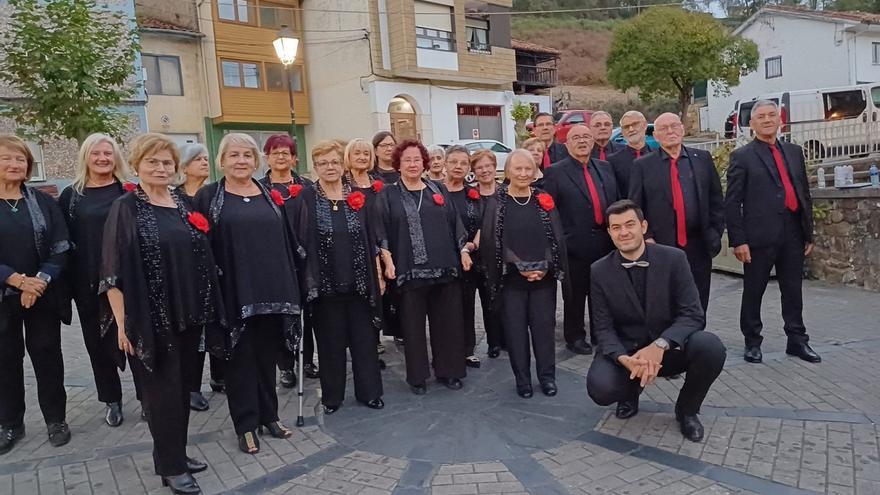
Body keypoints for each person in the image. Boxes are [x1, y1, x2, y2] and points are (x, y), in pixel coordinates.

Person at [100, 133, 221, 493]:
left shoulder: (182, 205)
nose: (161, 168)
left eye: (167, 162)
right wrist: (122, 325)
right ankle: (172, 468)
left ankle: (175, 454)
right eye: (152, 161)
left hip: (188, 314)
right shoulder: (126, 208)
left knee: (182, 390)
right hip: (149, 317)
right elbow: (111, 273)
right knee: (162, 394)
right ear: (137, 165)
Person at [194, 133, 301, 455]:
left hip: (271, 290)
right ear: (222, 160)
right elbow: (201, 248)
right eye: (234, 155)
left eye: (247, 155)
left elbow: (286, 241)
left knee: (267, 357)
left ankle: (270, 416)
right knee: (239, 360)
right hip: (233, 292)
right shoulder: (209, 196)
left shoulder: (268, 194)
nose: (241, 161)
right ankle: (245, 425)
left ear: (256, 161)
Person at [587, 200, 726, 442]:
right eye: (616, 227)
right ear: (609, 232)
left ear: (643, 226)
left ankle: (687, 410)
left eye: (630, 224)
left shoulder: (674, 259)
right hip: (627, 353)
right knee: (601, 388)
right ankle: (629, 393)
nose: (624, 232)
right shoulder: (599, 270)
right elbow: (603, 327)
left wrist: (660, 345)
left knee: (711, 347)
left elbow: (693, 314)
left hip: (669, 349)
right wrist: (624, 359)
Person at [288, 141, 385, 414]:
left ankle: (370, 393)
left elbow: (372, 238)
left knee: (364, 340)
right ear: (315, 167)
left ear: (343, 166)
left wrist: (378, 273)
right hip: (324, 284)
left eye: (334, 162)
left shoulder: (358, 197)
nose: (329, 167)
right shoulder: (304, 198)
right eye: (323, 163)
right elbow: (297, 240)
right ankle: (333, 397)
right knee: (330, 343)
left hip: (359, 281)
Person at [724, 100, 821, 364]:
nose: (767, 120)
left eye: (771, 115)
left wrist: (808, 233)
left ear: (780, 120)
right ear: (752, 124)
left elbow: (803, 194)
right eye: (761, 117)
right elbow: (732, 202)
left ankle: (797, 340)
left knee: (793, 290)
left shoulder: (793, 152)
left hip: (792, 233)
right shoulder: (742, 157)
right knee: (754, 291)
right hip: (758, 237)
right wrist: (738, 240)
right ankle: (752, 342)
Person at [376, 140, 471, 394]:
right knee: (413, 328)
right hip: (409, 270)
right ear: (398, 163)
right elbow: (380, 231)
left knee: (448, 324)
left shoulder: (437, 189)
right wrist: (387, 261)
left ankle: (449, 371)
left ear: (424, 162)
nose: (412, 164)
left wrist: (463, 250)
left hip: (444, 268)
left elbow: (455, 224)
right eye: (407, 160)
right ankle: (418, 376)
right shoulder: (388, 194)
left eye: (417, 159)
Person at [0, 134, 71, 455]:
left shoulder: (42, 201)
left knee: (47, 357)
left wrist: (38, 282)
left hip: (42, 296)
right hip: (3, 297)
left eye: (20, 159)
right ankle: (11, 423)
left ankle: (56, 419)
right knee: (5, 360)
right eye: (7, 158)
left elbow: (60, 245)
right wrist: (16, 280)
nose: (14, 164)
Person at [58, 133, 135, 428]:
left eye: (108, 153)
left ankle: (146, 396)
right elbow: (64, 241)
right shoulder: (72, 196)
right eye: (96, 154)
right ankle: (111, 399)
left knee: (136, 338)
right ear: (86, 158)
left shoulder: (128, 190)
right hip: (88, 283)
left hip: (128, 282)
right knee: (97, 344)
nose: (103, 158)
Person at [482, 150, 568, 398]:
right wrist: (520, 265)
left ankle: (547, 378)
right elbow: (493, 241)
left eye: (527, 169)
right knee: (516, 333)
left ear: (534, 171)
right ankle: (523, 380)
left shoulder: (543, 199)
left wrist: (545, 266)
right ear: (507, 171)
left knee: (544, 331)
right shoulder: (497, 202)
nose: (522, 174)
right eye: (517, 169)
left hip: (543, 280)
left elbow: (555, 238)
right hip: (512, 282)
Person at [628, 113, 724, 312]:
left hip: (698, 244)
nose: (670, 131)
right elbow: (635, 207)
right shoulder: (643, 166)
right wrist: (647, 238)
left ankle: (696, 339)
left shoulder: (702, 159)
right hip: (662, 246)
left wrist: (715, 234)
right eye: (664, 128)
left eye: (674, 126)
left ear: (682, 129)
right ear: (655, 136)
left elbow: (716, 200)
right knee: (666, 299)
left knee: (698, 298)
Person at [543, 125, 619, 355]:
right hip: (573, 245)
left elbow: (613, 200)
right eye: (576, 138)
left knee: (603, 292)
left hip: (604, 242)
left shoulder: (605, 168)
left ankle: (600, 332)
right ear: (567, 144)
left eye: (586, 136)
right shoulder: (556, 172)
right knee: (575, 295)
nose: (582, 141)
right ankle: (574, 336)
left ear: (593, 141)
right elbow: (550, 212)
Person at [258, 134, 318, 385]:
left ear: (294, 158)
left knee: (307, 312)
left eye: (286, 153)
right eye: (275, 153)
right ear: (267, 157)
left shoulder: (307, 187)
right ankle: (285, 365)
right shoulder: (258, 187)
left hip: (305, 258)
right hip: (274, 260)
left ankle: (306, 361)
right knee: (280, 313)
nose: (281, 157)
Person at [173, 143, 223, 412]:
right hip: (187, 274)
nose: (205, 163)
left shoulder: (214, 194)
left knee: (217, 324)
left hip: (216, 270)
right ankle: (191, 386)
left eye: (206, 158)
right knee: (193, 331)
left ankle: (219, 376)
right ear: (184, 166)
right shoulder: (175, 198)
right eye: (198, 159)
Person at [444, 145, 488, 367]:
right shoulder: (435, 190)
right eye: (454, 162)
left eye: (463, 163)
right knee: (445, 307)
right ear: (445, 164)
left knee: (466, 304)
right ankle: (447, 350)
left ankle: (467, 349)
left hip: (470, 257)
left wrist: (474, 243)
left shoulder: (473, 194)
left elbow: (483, 221)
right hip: (444, 257)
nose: (458, 167)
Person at [607, 111, 654, 195]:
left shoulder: (658, 156)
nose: (631, 129)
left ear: (645, 125)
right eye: (626, 127)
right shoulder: (613, 161)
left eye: (635, 124)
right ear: (622, 132)